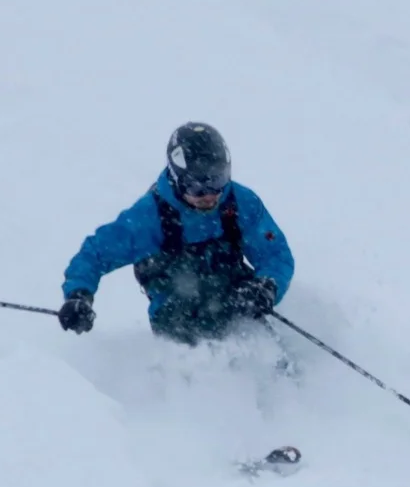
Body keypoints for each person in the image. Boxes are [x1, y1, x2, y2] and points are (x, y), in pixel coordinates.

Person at [59, 123, 295, 344]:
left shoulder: (241, 203)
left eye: (218, 181)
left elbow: (275, 254)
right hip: (178, 312)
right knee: (188, 319)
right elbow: (96, 253)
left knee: (265, 347)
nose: (210, 195)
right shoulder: (149, 217)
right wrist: (78, 295)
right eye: (197, 187)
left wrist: (267, 286)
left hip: (235, 298)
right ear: (176, 179)